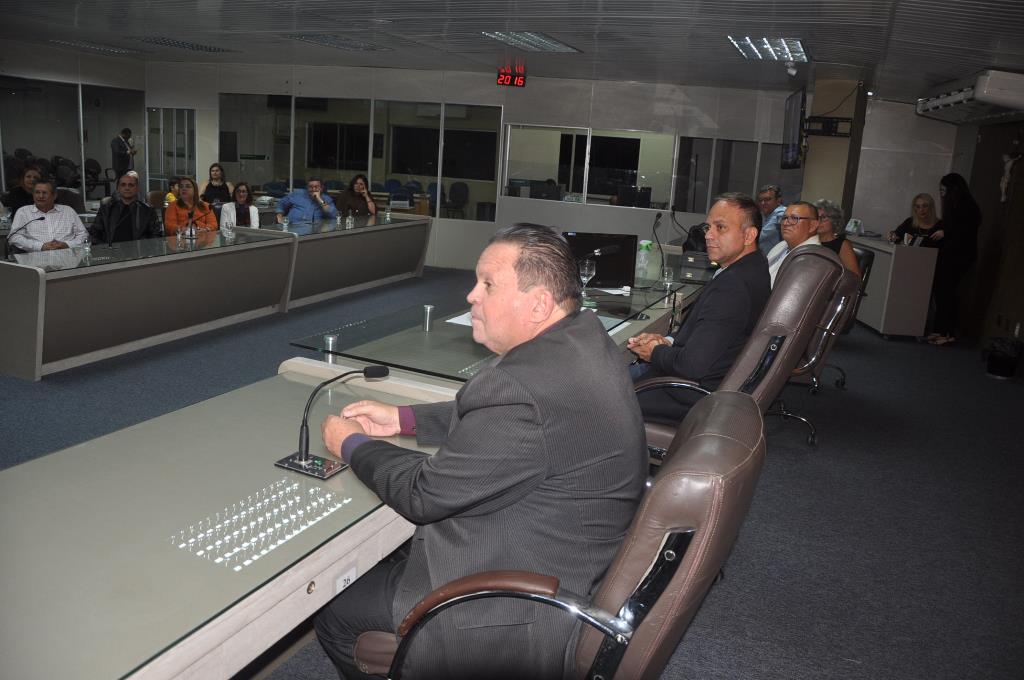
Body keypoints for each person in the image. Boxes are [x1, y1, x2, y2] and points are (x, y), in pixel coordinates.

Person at [315, 223, 646, 679]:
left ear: (538, 304)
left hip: (510, 604)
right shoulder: (583, 341)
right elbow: (514, 421)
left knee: (335, 613)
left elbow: (423, 494)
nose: (471, 295)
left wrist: (351, 443)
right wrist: (403, 419)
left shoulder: (518, 387)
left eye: (488, 285)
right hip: (570, 557)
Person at [628, 192, 771, 425]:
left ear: (749, 235)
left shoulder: (733, 287)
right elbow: (710, 334)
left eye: (720, 228)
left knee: (598, 392)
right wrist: (668, 341)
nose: (708, 235)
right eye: (708, 227)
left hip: (688, 396)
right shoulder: (753, 267)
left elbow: (691, 366)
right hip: (704, 383)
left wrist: (655, 352)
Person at [927, 173, 981, 346]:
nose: (942, 194)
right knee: (941, 291)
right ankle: (939, 329)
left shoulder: (968, 207)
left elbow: (966, 231)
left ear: (954, 190)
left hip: (960, 256)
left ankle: (948, 333)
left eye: (944, 190)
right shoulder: (955, 206)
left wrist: (946, 232)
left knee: (948, 292)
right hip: (950, 255)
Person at [8, 179, 88, 253]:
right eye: (37, 192)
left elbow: (83, 234)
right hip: (35, 257)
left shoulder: (68, 211)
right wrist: (40, 246)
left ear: (54, 196)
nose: (40, 196)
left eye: (44, 193)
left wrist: (67, 245)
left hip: (67, 255)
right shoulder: (23, 212)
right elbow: (14, 237)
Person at [88, 173, 162, 245]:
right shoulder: (106, 209)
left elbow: (156, 237)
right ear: (118, 188)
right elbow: (94, 234)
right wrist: (105, 250)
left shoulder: (148, 210)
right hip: (110, 251)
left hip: (138, 251)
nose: (127, 188)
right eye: (123, 185)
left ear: (137, 188)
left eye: (131, 185)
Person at [765, 201, 822, 286]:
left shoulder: (813, 259)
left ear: (812, 225)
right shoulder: (782, 245)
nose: (785, 223)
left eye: (794, 218)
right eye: (784, 218)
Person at [814, 199, 861, 277]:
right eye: (816, 218)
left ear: (834, 221)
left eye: (823, 217)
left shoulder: (843, 245)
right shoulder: (811, 239)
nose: (818, 221)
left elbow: (855, 277)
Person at [757, 184, 786, 253]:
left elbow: (758, 237)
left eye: (767, 199)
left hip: (777, 257)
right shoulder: (765, 213)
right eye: (760, 200)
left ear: (778, 200)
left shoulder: (781, 213)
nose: (763, 203)